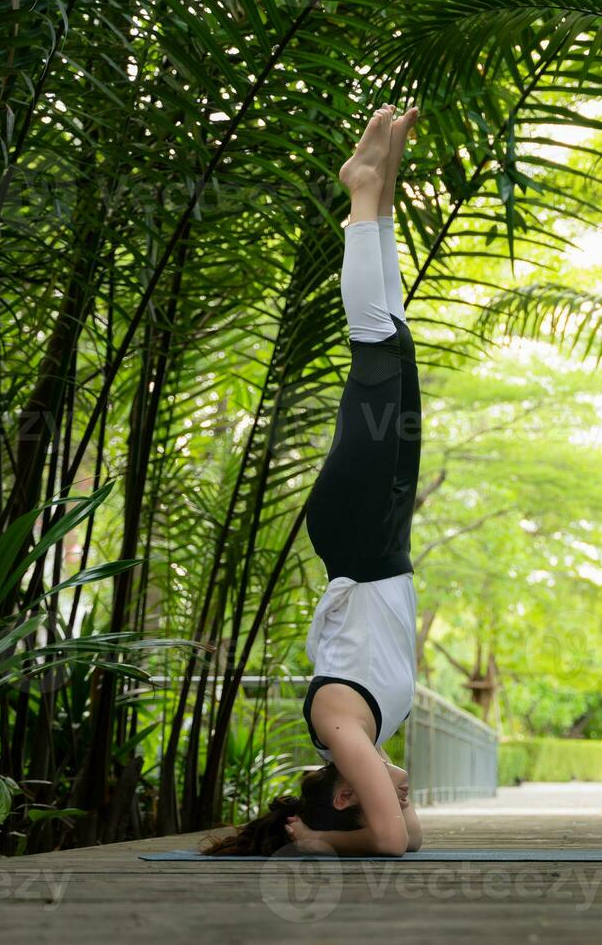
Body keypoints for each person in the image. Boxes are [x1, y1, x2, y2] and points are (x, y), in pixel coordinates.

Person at [204, 103, 424, 857]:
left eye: (370, 793)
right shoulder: (362, 732)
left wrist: (324, 846)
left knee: (375, 352)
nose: (401, 792)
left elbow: (393, 843)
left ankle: (363, 194)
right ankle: (381, 196)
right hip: (378, 538)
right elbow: (410, 834)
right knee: (395, 347)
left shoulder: (338, 723)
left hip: (359, 535)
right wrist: (364, 808)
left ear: (344, 792)